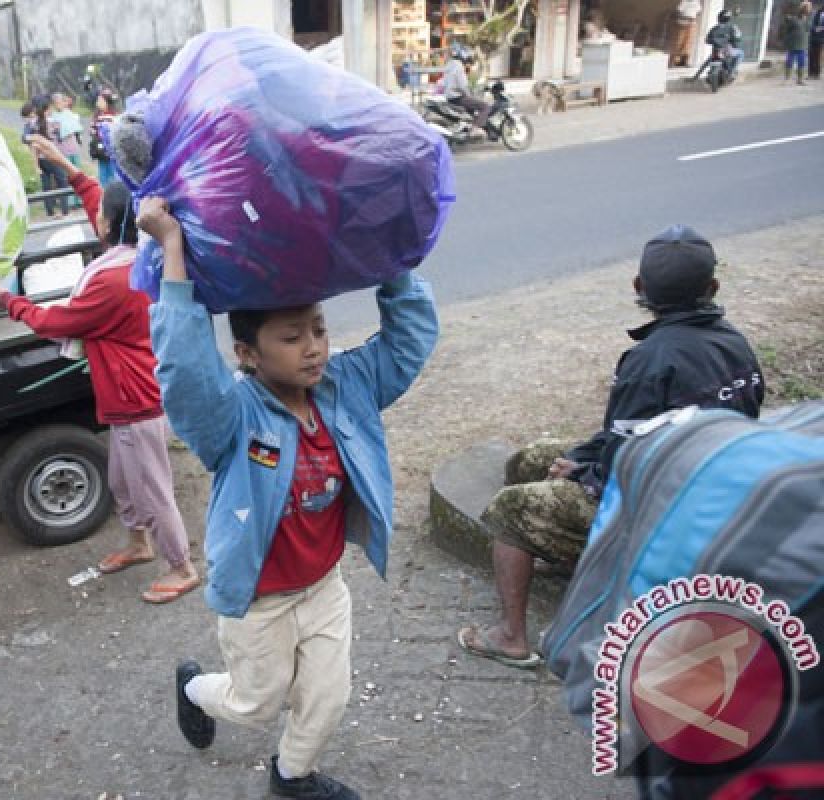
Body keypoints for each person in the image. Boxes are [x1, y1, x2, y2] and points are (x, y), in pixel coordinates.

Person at [138, 198, 439, 800]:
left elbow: (408, 343)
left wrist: (391, 258)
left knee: (330, 697)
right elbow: (187, 372)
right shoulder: (231, 418)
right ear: (248, 354)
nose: (314, 348)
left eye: (320, 329)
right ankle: (195, 689)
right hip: (258, 599)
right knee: (255, 704)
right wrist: (173, 248)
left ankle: (290, 776)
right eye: (292, 336)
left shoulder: (347, 387)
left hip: (324, 586)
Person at [456, 226, 764, 669]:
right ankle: (566, 554)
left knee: (510, 509)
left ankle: (510, 637)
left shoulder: (649, 359)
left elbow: (626, 462)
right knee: (533, 458)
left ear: (639, 288)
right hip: (709, 489)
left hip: (662, 513)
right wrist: (582, 459)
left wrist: (583, 474)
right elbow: (640, 434)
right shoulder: (735, 344)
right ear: (713, 288)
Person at [0, 137, 199, 604]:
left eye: (99, 211)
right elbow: (103, 208)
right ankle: (139, 544)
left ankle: (181, 565)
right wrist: (66, 166)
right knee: (123, 482)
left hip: (136, 399)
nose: (93, 214)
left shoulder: (110, 279)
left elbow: (56, 320)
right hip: (127, 396)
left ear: (107, 223)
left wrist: (7, 301)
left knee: (152, 487)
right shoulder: (133, 255)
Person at [26, 95, 71, 218]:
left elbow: (33, 145)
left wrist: (35, 164)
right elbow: (59, 141)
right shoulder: (54, 123)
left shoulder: (33, 124)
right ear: (47, 109)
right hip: (54, 157)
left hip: (41, 159)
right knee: (62, 182)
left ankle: (50, 212)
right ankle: (64, 211)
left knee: (46, 185)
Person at [440, 44, 490, 137]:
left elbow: (443, 82)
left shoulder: (449, 64)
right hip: (458, 97)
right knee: (485, 106)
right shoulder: (459, 66)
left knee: (473, 109)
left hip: (450, 97)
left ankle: (468, 126)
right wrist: (469, 94)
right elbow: (463, 86)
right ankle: (475, 129)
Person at [89, 88, 119, 188]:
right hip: (101, 152)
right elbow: (92, 131)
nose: (98, 102)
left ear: (106, 102)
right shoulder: (97, 116)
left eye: (100, 100)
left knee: (113, 175)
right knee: (103, 177)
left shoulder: (112, 116)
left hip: (111, 151)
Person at [704, 10, 744, 80]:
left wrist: (715, 41)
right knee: (741, 53)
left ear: (718, 18)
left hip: (715, 51)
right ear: (728, 19)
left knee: (710, 60)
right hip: (727, 51)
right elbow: (737, 38)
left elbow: (707, 40)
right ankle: (732, 72)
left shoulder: (714, 28)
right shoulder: (732, 27)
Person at [780, 1, 812, 84]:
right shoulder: (794, 19)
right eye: (806, 8)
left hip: (803, 44)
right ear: (802, 8)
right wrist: (786, 41)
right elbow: (787, 29)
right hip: (793, 44)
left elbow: (808, 30)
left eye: (808, 8)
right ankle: (787, 78)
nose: (808, 10)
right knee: (790, 60)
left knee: (802, 61)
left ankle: (800, 79)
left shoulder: (808, 19)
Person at [671, 0, 702, 67]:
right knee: (679, 42)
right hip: (683, 23)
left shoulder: (696, 1)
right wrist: (686, 17)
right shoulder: (684, 1)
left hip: (692, 23)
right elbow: (679, 11)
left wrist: (693, 18)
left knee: (688, 43)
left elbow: (698, 11)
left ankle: (684, 61)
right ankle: (675, 61)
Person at [810, 0, 824, 78]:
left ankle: (817, 73)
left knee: (818, 56)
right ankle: (811, 72)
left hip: (821, 38)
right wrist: (815, 28)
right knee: (812, 55)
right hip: (814, 37)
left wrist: (821, 28)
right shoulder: (817, 13)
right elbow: (812, 23)